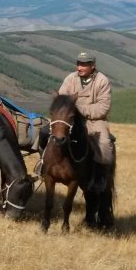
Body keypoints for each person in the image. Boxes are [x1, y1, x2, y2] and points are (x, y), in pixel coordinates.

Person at [58, 51, 114, 191]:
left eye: (83, 65)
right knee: (46, 132)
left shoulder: (102, 81)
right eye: (78, 64)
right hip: (69, 118)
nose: (79, 68)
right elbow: (62, 99)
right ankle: (43, 164)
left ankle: (101, 176)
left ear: (92, 65)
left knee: (104, 144)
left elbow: (103, 108)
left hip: (94, 120)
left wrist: (78, 109)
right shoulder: (70, 78)